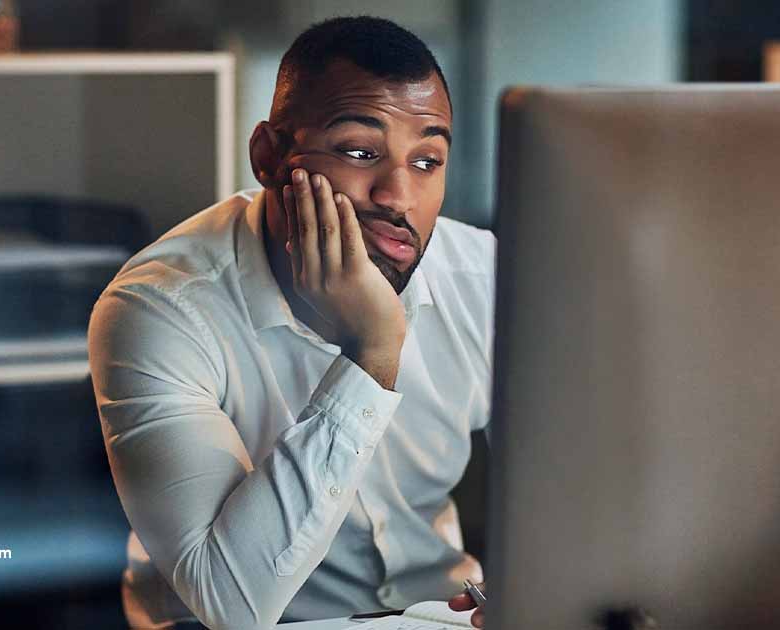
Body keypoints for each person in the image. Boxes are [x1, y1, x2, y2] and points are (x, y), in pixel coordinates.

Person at [88, 16, 493, 629]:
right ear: (269, 157)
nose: (397, 196)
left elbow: (584, 484)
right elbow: (229, 603)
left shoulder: (485, 278)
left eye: (428, 161)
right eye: (360, 152)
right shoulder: (159, 307)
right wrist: (372, 351)